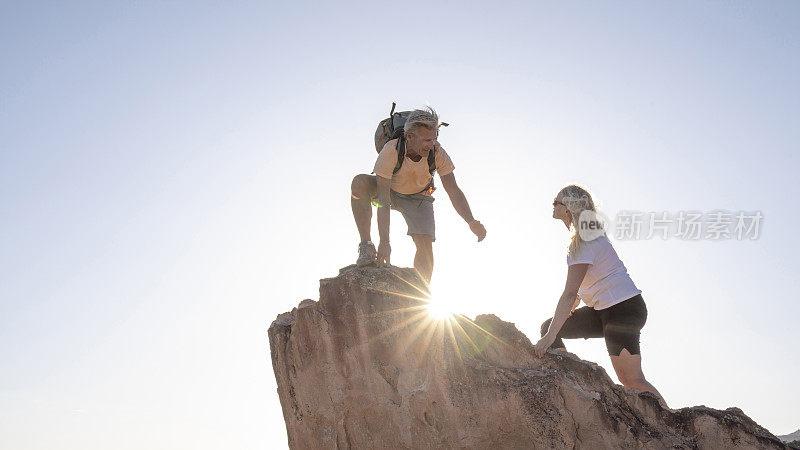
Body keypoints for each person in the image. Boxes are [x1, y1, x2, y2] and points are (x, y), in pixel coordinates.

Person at [534, 185, 663, 401]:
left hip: (623, 309)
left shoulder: (585, 240)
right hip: (603, 310)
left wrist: (549, 338)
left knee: (632, 380)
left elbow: (569, 293)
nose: (552, 205)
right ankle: (569, 381)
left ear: (569, 209)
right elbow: (577, 295)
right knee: (550, 326)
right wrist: (553, 330)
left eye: (556, 202)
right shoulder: (582, 238)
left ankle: (670, 423)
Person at [349, 107, 486, 283]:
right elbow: (383, 201)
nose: (431, 144)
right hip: (389, 191)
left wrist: (471, 221)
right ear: (410, 137)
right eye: (427, 140)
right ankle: (366, 246)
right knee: (359, 183)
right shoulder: (391, 151)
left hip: (419, 197)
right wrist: (385, 243)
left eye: (434, 138)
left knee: (425, 247)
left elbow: (453, 190)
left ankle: (420, 292)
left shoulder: (437, 153)